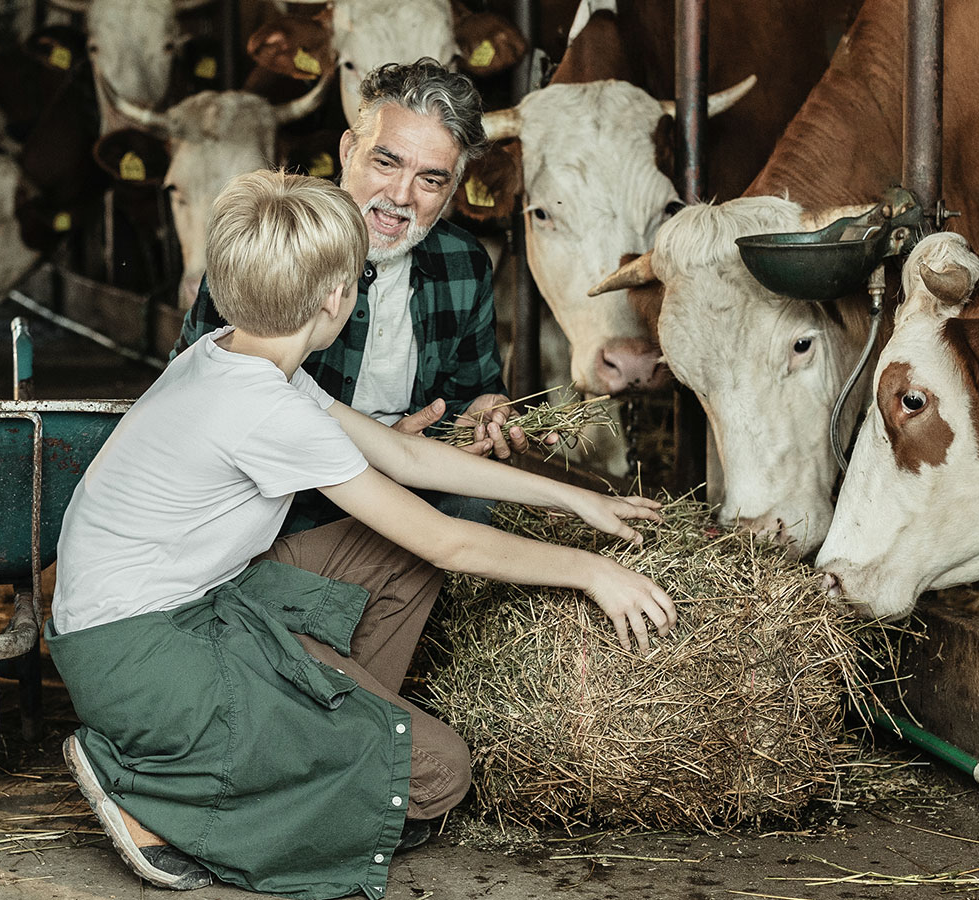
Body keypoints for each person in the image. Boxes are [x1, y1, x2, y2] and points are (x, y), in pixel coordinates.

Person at [49, 169, 676, 899]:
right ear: (337, 298)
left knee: (399, 560)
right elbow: (450, 541)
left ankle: (328, 726)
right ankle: (147, 796)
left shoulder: (237, 353)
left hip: (163, 618)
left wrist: (570, 498)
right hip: (144, 659)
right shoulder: (262, 407)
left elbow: (409, 456)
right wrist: (592, 571)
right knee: (439, 775)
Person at [173, 57, 546, 533]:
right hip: (281, 501)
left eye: (431, 179)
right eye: (385, 162)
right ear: (349, 150)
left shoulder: (464, 263)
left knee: (482, 510)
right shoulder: (271, 238)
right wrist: (379, 451)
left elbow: (469, 395)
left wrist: (480, 416)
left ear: (455, 187)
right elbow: (202, 407)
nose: (400, 195)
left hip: (413, 489)